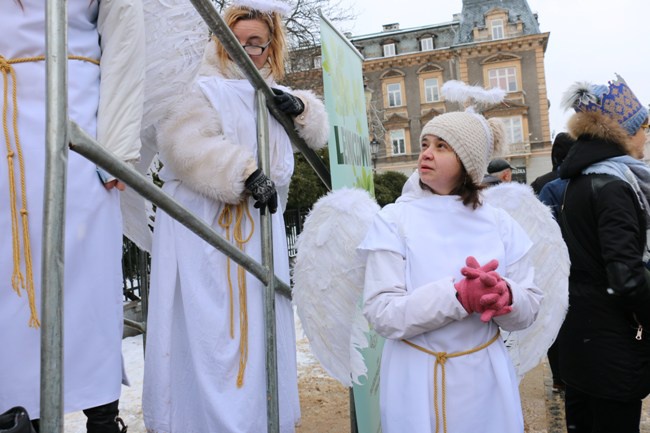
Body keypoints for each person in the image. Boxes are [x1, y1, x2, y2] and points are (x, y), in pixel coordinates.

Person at [141, 0, 328, 431]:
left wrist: (302, 110)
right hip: (205, 220)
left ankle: (259, 417)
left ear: (271, 48)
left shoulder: (272, 95)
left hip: (260, 224)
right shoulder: (196, 85)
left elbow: (312, 130)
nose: (244, 51)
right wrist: (243, 173)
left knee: (258, 323)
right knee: (207, 327)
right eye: (235, 41)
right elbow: (182, 143)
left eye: (256, 44)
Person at [0, 0, 144, 432]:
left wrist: (117, 149)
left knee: (87, 265)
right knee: (10, 270)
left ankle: (101, 413)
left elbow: (125, 34)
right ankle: (20, 408)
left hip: (75, 109)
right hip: (5, 111)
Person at [359, 110, 543, 433]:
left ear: (468, 162)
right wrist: (456, 296)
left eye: (442, 146)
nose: (426, 153)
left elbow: (529, 308)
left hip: (484, 383)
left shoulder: (500, 224)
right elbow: (382, 312)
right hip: (415, 383)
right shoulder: (394, 220)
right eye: (425, 143)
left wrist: (505, 297)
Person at [557, 75, 650, 433]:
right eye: (642, 128)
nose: (645, 137)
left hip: (581, 336)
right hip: (612, 345)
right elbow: (625, 276)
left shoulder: (577, 181)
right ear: (623, 133)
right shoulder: (614, 186)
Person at [531, 132, 576, 393]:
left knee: (554, 320)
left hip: (551, 264)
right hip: (576, 262)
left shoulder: (540, 183)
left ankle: (559, 376)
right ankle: (574, 374)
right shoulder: (578, 180)